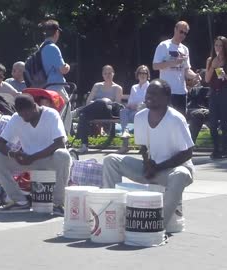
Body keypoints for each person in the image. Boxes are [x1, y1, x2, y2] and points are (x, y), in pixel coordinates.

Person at [102, 79, 194, 232]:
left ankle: (158, 227)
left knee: (181, 174)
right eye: (148, 92)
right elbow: (143, 147)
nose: (149, 96)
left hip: (171, 171)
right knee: (111, 160)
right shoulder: (140, 117)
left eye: (154, 93)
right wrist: (147, 164)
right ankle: (113, 216)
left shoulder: (176, 119)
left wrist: (158, 167)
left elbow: (187, 152)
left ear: (166, 98)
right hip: (152, 170)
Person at [0, 94, 71, 215]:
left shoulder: (51, 114)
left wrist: (33, 157)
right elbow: (0, 144)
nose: (24, 118)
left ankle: (58, 203)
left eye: (26, 114)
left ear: (34, 106)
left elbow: (60, 143)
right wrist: (13, 154)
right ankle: (20, 201)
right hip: (26, 160)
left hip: (48, 159)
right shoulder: (17, 117)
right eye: (21, 115)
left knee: (63, 155)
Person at [153, 21, 201, 116]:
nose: (182, 35)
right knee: (166, 120)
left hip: (181, 91)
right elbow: (155, 66)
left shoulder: (185, 49)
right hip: (166, 91)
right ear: (175, 29)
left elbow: (186, 70)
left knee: (181, 120)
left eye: (185, 33)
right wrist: (172, 63)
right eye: (181, 31)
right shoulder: (164, 45)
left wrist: (195, 76)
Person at [76, 65, 123, 154]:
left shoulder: (117, 88)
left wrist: (104, 102)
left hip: (109, 112)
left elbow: (116, 105)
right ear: (102, 75)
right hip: (96, 112)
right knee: (84, 115)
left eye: (109, 73)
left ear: (113, 74)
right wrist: (98, 103)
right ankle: (84, 145)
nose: (108, 75)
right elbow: (88, 101)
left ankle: (79, 111)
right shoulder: (97, 85)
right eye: (105, 73)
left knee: (103, 102)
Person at [205, 36, 227, 159]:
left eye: (220, 46)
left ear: (225, 47)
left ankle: (224, 149)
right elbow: (207, 79)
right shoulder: (210, 60)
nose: (218, 48)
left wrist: (225, 76)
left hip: (225, 92)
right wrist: (213, 67)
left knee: (224, 123)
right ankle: (216, 148)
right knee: (213, 123)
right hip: (214, 92)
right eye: (216, 45)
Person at [40, 20, 72, 134]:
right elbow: (62, 69)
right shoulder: (53, 47)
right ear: (57, 32)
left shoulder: (41, 47)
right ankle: (63, 137)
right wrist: (67, 66)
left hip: (45, 85)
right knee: (64, 108)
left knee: (50, 112)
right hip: (55, 87)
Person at [117, 65, 150, 154]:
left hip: (143, 112)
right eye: (140, 73)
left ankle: (126, 143)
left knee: (134, 114)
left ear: (147, 75)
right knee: (123, 111)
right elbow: (130, 101)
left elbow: (148, 103)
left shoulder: (150, 87)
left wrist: (137, 106)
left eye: (144, 73)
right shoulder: (134, 87)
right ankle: (126, 134)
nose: (142, 75)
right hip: (132, 112)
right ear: (137, 75)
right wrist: (130, 106)